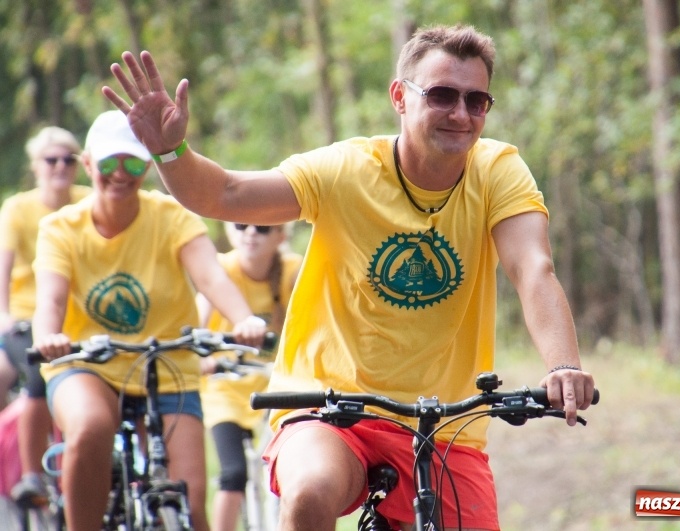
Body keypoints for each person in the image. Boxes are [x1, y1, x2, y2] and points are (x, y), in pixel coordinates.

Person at [103, 23, 596, 531]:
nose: (461, 114)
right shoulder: (348, 170)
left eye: (477, 101)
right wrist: (170, 152)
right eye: (443, 95)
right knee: (311, 491)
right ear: (400, 98)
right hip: (330, 408)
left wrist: (562, 363)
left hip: (444, 426)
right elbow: (224, 194)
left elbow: (531, 267)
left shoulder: (498, 170)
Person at [30, 110, 268, 531]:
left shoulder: (171, 216)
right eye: (108, 163)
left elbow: (211, 275)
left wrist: (244, 318)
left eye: (134, 162)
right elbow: (50, 299)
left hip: (167, 363)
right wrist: (49, 336)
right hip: (87, 364)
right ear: (88, 164)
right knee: (89, 427)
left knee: (191, 501)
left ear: (147, 166)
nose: (121, 174)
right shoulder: (60, 228)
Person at [0, 126, 91, 506]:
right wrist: (3, 315)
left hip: (80, 319)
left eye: (68, 160)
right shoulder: (18, 209)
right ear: (36, 167)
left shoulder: (90, 201)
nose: (60, 167)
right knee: (37, 374)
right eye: (51, 160)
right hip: (25, 318)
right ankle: (31, 475)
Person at [198, 221, 301, 531]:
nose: (251, 233)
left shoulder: (293, 271)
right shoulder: (222, 269)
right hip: (224, 388)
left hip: (275, 388)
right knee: (233, 474)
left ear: (281, 236)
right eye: (242, 225)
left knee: (289, 470)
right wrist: (202, 358)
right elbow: (197, 325)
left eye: (263, 228)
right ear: (230, 232)